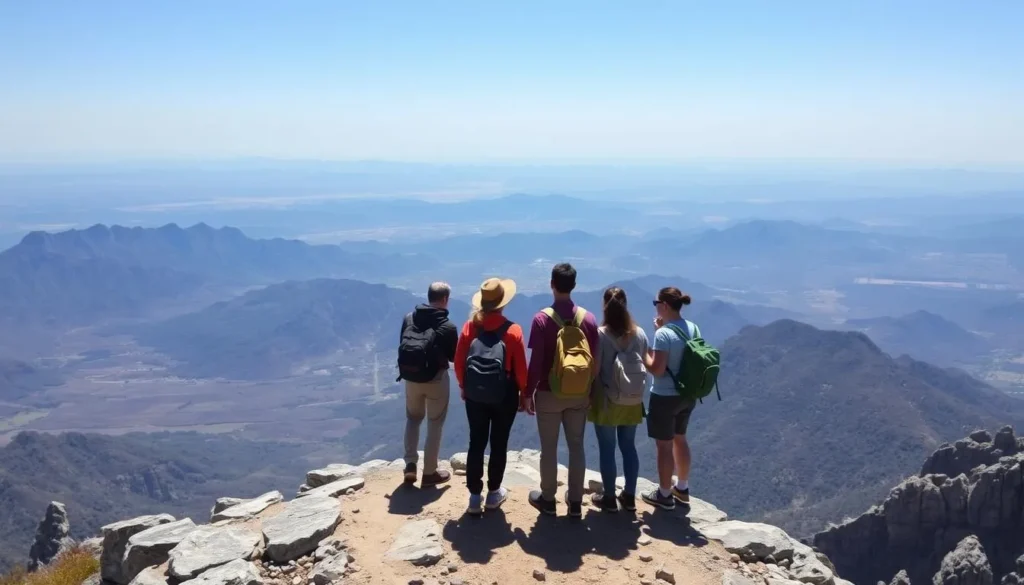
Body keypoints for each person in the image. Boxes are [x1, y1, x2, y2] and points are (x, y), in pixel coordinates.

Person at [524, 263, 600, 518]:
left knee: (549, 447)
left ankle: (548, 500)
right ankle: (576, 503)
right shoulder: (588, 320)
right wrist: (590, 390)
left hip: (548, 393)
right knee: (576, 446)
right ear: (574, 285)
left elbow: (536, 363)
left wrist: (527, 393)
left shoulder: (542, 319)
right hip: (579, 393)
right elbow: (595, 361)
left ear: (552, 284)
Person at [454, 277, 528, 515]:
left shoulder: (469, 327)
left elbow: (458, 363)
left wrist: (464, 385)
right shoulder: (513, 330)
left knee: (476, 441)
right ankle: (494, 493)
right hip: (504, 394)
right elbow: (521, 370)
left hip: (475, 393)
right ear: (502, 303)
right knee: (499, 443)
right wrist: (524, 394)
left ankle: (474, 497)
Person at [588, 286, 648, 513]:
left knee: (607, 448)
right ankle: (630, 497)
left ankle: (609, 498)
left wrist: (588, 394)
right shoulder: (640, 334)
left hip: (607, 401)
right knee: (629, 447)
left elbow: (595, 370)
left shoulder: (600, 335)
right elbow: (645, 364)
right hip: (633, 400)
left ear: (605, 306)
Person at [641, 286, 700, 510]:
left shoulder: (663, 334)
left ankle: (664, 494)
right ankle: (682, 488)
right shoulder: (692, 328)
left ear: (664, 306)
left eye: (656, 304)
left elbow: (657, 369)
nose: (656, 308)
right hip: (687, 393)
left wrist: (644, 353)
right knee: (680, 438)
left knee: (663, 446)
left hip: (665, 396)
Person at [396, 282, 459, 487]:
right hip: (436, 380)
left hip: (411, 379)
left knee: (413, 418)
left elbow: (402, 345)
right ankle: (430, 472)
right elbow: (453, 357)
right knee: (435, 423)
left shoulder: (409, 318)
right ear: (445, 300)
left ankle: (410, 465)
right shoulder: (447, 326)